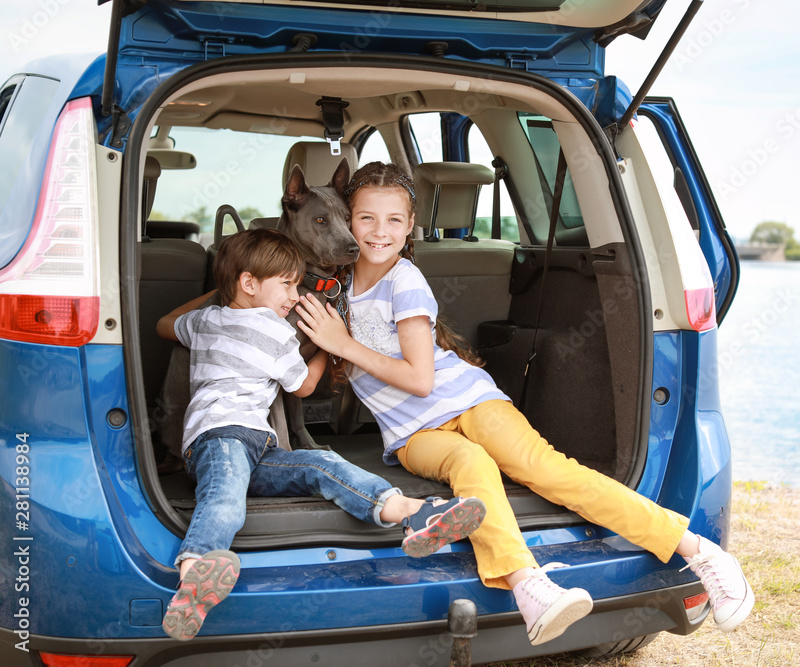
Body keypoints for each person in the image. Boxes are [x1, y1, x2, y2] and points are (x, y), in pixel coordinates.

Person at [294, 162, 755, 646]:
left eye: (393, 220)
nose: (378, 232)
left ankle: (702, 553)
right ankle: (532, 586)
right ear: (348, 220)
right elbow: (306, 386)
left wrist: (342, 344)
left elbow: (422, 379)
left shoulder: (404, 280)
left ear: (411, 227)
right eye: (365, 218)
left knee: (548, 471)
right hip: (413, 436)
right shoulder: (335, 291)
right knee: (469, 464)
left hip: (468, 402)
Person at [155, 227, 486, 641]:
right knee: (226, 498)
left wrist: (215, 295)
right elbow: (304, 387)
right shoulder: (275, 330)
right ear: (248, 283)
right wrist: (331, 347)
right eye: (288, 284)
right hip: (221, 436)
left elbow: (164, 324)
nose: (295, 296)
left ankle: (411, 511)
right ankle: (194, 576)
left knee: (320, 465)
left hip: (254, 446)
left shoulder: (203, 321)